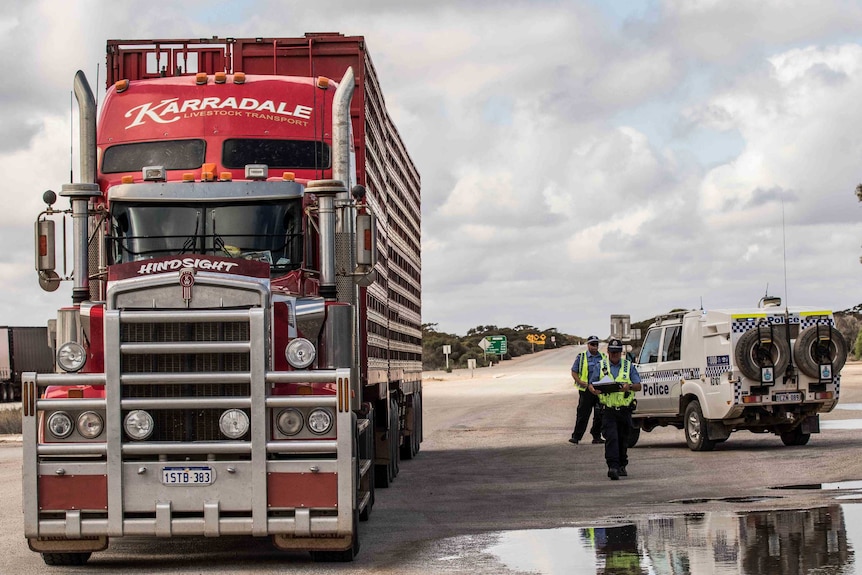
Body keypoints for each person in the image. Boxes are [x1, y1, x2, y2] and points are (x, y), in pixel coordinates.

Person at [588, 338, 641, 480]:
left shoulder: (628, 366)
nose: (615, 355)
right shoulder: (601, 366)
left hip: (624, 410)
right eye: (612, 352)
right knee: (611, 438)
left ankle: (622, 464)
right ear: (608, 352)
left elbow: (638, 385)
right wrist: (593, 389)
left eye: (617, 352)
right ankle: (613, 467)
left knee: (623, 438)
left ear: (621, 352)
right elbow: (591, 384)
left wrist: (628, 387)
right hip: (608, 410)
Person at [569, 335, 606, 445]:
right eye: (592, 344)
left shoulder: (603, 357)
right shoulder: (581, 357)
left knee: (599, 414)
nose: (595, 346)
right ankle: (576, 436)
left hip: (598, 389)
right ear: (588, 345)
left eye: (596, 344)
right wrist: (580, 382)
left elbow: (606, 371)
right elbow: (574, 371)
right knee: (583, 414)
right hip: (586, 390)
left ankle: (596, 436)